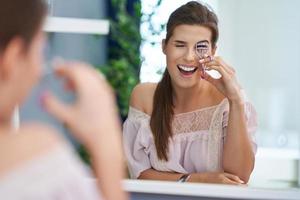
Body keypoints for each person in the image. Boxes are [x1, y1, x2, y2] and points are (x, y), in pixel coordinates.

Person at [0, 0, 127, 199]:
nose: (39, 68)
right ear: (14, 57)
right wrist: (105, 141)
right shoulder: (38, 156)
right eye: (40, 49)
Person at [123, 1, 257, 185]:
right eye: (180, 45)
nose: (189, 57)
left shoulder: (229, 101)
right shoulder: (144, 97)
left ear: (213, 51)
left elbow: (239, 177)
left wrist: (235, 101)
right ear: (164, 46)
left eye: (200, 47)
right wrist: (197, 179)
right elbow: (139, 174)